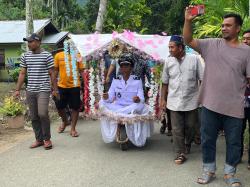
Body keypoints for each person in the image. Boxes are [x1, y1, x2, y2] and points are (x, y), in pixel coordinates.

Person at [183, 8, 250, 186]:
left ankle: (230, 174)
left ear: (238, 29)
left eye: (228, 25)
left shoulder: (247, 52)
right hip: (210, 104)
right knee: (207, 139)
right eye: (222, 25)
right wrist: (188, 20)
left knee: (234, 142)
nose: (223, 28)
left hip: (234, 106)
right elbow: (188, 40)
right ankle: (209, 170)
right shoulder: (211, 44)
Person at [160, 35, 203, 165]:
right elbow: (165, 82)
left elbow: (202, 79)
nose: (170, 50)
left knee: (190, 126)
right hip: (174, 100)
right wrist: (162, 99)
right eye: (169, 47)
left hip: (191, 100)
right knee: (176, 129)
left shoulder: (194, 59)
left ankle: (187, 143)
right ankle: (180, 153)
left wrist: (202, 96)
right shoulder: (168, 61)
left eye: (172, 47)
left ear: (180, 47)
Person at [99, 53, 154, 150]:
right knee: (102, 103)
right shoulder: (116, 80)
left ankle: (134, 134)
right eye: (122, 65)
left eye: (126, 65)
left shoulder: (137, 80)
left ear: (131, 67)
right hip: (119, 106)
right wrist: (106, 96)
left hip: (132, 106)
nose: (124, 67)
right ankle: (120, 129)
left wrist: (137, 98)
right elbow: (111, 97)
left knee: (141, 107)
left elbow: (141, 97)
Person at [15, 33, 58, 150]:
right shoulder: (25, 56)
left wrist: (55, 90)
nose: (29, 44)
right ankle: (39, 139)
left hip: (43, 89)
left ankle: (47, 139)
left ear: (38, 42)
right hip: (30, 90)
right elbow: (22, 73)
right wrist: (17, 89)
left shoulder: (47, 56)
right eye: (28, 42)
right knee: (34, 116)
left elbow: (52, 74)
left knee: (42, 113)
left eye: (31, 42)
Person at [54, 41, 85, 137]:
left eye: (71, 45)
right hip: (61, 86)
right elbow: (55, 72)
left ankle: (73, 128)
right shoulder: (58, 56)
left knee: (75, 107)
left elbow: (82, 71)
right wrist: (53, 87)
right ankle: (65, 121)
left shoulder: (78, 55)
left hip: (75, 86)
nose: (69, 46)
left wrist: (86, 84)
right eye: (67, 45)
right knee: (59, 106)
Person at [241, 29, 250, 170]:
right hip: (240, 100)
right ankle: (236, 156)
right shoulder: (239, 57)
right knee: (238, 130)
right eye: (244, 39)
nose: (245, 41)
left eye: (248, 39)